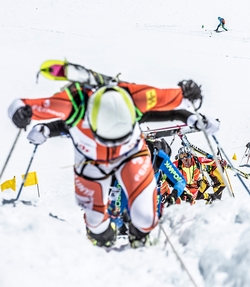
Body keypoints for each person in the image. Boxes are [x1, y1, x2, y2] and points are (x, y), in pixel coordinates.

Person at [8, 65, 220, 249]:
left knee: (145, 217)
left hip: (130, 155)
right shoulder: (74, 103)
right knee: (96, 224)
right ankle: (103, 235)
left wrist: (193, 110)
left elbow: (172, 103)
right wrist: (24, 116)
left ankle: (140, 234)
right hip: (91, 160)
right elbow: (22, 105)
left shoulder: (135, 96)